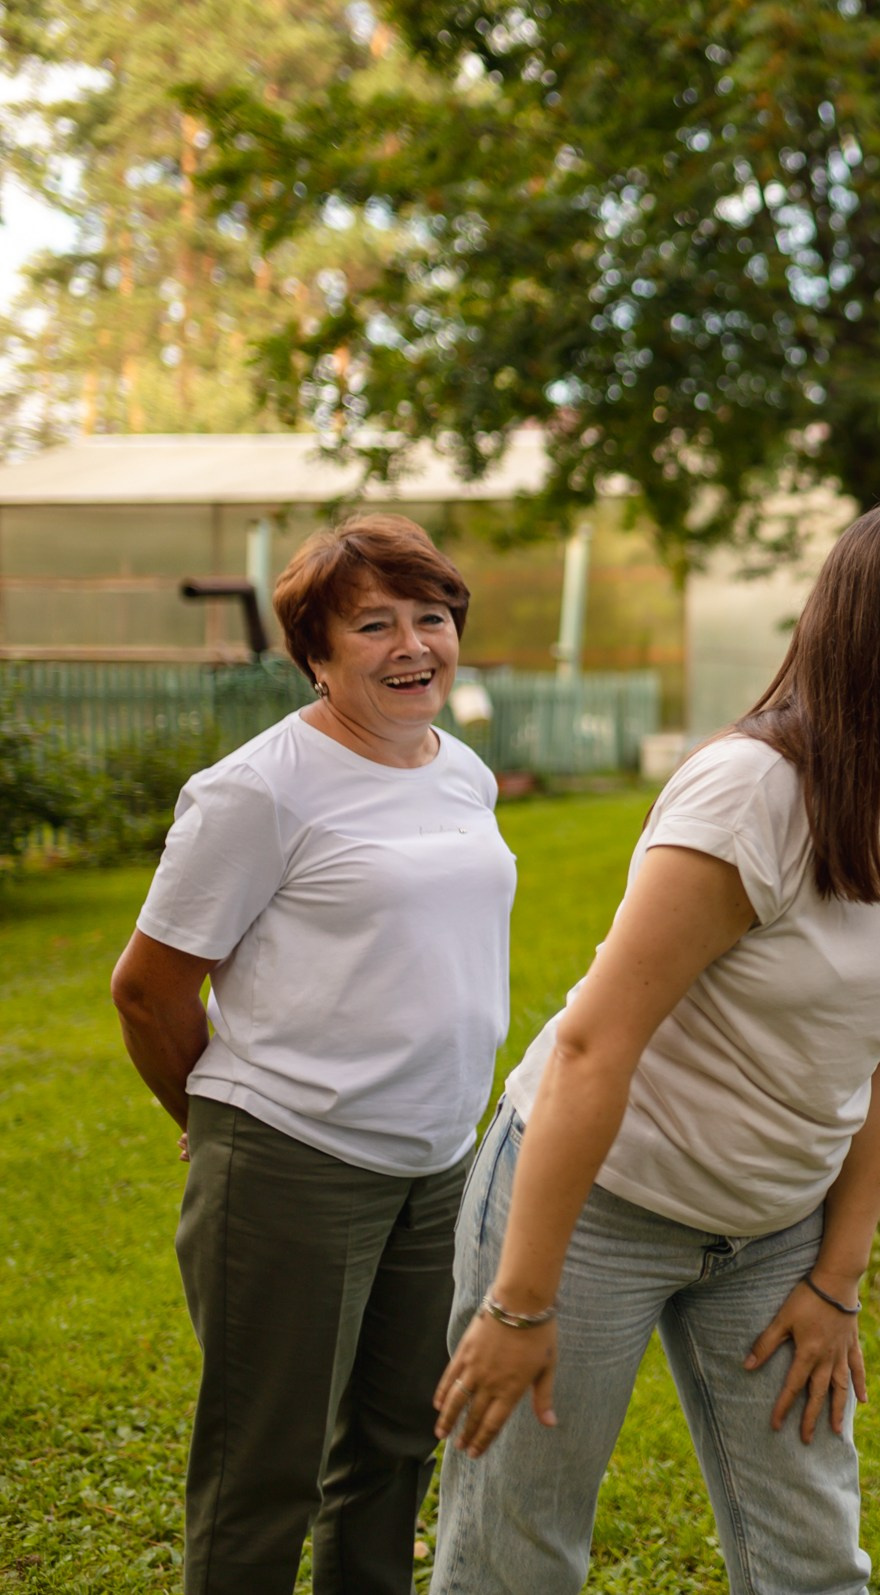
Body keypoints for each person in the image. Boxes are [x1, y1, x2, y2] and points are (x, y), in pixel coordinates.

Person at [428, 495, 880, 1595]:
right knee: (518, 1557)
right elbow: (592, 1049)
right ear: (878, 630)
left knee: (812, 1555)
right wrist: (521, 1301)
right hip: (592, 1207)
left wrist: (836, 1280)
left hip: (770, 1233)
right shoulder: (753, 793)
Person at [108, 515, 516, 1595]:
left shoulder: (460, 770)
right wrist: (218, 1130)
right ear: (317, 655)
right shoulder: (259, 790)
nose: (411, 645)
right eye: (372, 625)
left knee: (392, 1450)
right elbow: (149, 990)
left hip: (436, 1166)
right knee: (264, 1470)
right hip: (292, 1161)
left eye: (430, 617)